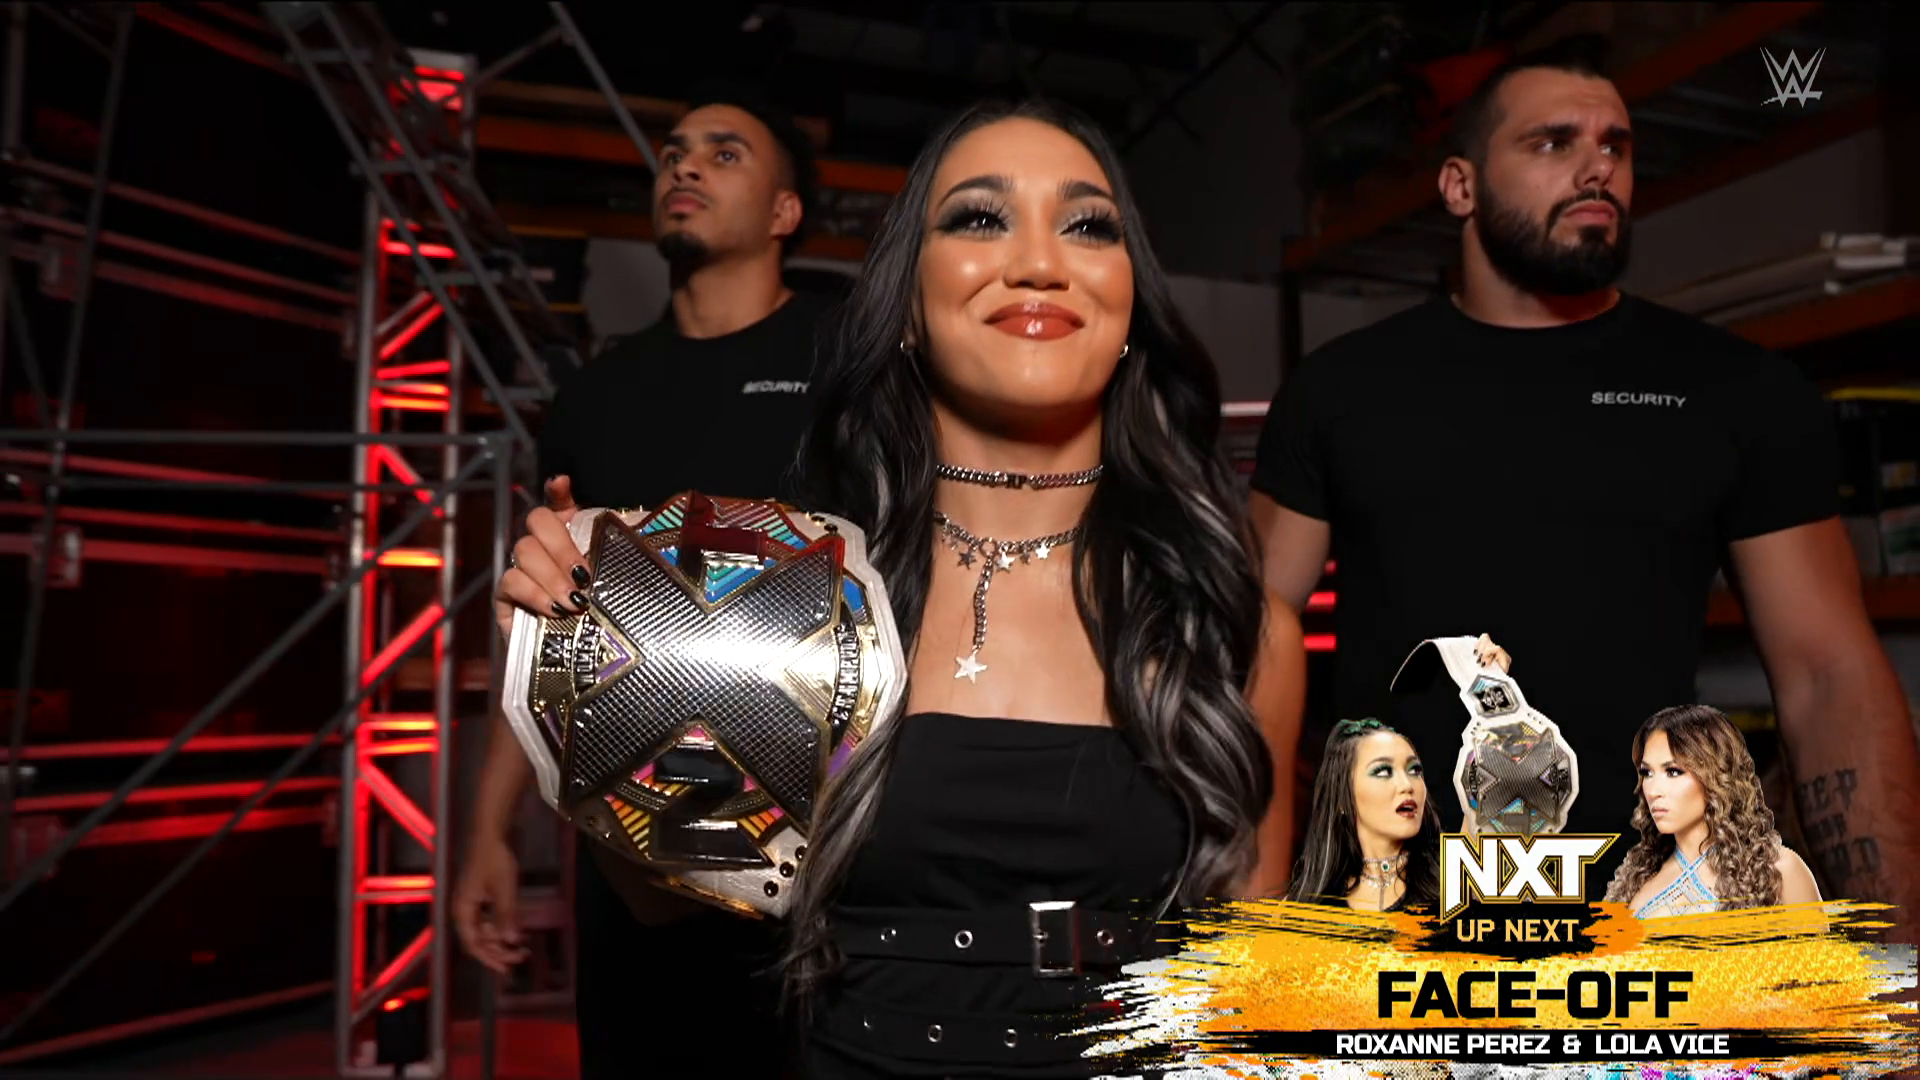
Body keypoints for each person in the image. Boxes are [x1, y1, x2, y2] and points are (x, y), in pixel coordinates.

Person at [1248, 43, 1918, 936]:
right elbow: (1243, 652)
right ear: (1459, 186)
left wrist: (1898, 962)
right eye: (1553, 143)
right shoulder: (1339, 393)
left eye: (1617, 145)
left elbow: (1827, 677)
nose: (1598, 165)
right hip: (1398, 930)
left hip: (1647, 928)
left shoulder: (1737, 394)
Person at [765, 98, 1307, 1077]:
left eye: (1088, 226)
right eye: (980, 218)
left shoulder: (1235, 632)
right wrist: (581, 661)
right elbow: (655, 908)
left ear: (1130, 304)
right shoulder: (790, 606)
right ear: (907, 306)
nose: (1040, 262)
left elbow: (1250, 1007)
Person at [463, 86, 827, 1077]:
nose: (685, 165)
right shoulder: (596, 395)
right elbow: (544, 628)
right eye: (674, 152)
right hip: (627, 855)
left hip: (815, 859)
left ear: (786, 211)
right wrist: (490, 829)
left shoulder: (846, 367)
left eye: (724, 152)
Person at [1604, 705, 1822, 918]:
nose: (1653, 791)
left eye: (1673, 771)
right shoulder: (1635, 893)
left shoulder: (1778, 871)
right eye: (1647, 773)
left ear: (1715, 775)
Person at [1284, 718, 1441, 913]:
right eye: (1383, 772)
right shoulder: (1305, 905)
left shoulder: (1455, 881)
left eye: (1414, 770)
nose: (1407, 785)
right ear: (1343, 797)